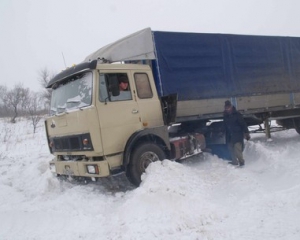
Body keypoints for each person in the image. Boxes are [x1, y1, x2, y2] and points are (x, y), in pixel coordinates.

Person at [223, 100, 250, 166]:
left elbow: (243, 124)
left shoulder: (237, 114)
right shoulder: (225, 115)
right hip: (230, 134)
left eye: (228, 107)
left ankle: (241, 162)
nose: (227, 109)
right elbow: (226, 125)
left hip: (237, 134)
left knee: (237, 149)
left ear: (231, 107)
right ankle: (234, 161)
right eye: (226, 108)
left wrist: (246, 133)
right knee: (230, 147)